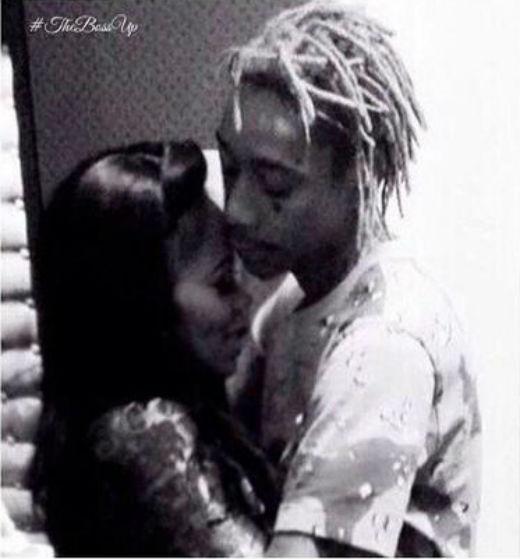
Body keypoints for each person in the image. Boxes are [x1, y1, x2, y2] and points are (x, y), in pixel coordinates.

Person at [217, 1, 481, 556]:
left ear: (362, 171)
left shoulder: (383, 343)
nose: (237, 209)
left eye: (275, 185)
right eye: (230, 167)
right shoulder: (294, 299)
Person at [30, 140, 278, 556]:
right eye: (222, 283)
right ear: (142, 304)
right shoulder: (145, 432)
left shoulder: (128, 423)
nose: (244, 302)